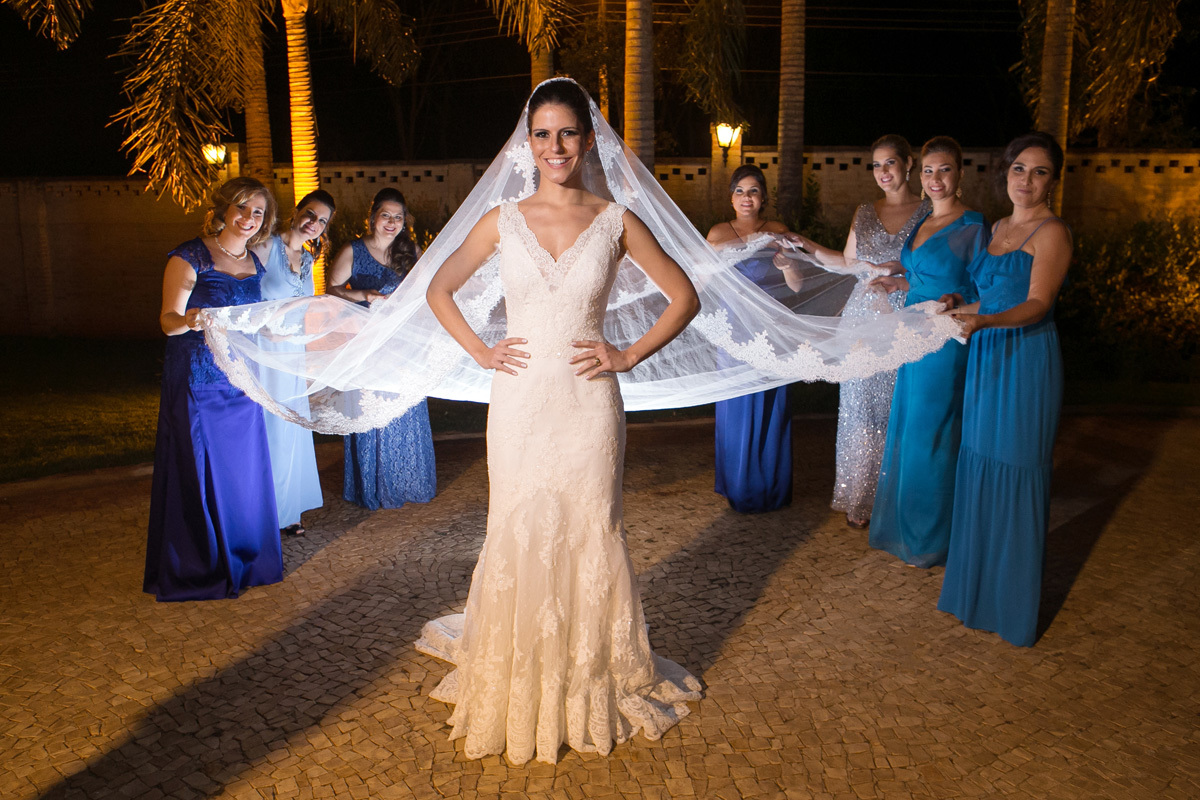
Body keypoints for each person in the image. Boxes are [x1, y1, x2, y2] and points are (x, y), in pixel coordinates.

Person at [417, 79, 703, 765]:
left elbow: (684, 297)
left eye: (567, 133)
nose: (554, 147)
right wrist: (483, 350)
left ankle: (587, 681)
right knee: (516, 524)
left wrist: (627, 353)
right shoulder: (501, 219)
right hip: (518, 404)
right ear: (528, 142)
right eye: (542, 134)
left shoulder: (618, 219)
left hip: (587, 406)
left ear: (587, 139)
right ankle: (517, 676)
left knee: (590, 527)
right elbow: (438, 287)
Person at [937, 132, 1072, 646]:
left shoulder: (1052, 232)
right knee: (979, 462)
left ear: (1052, 181)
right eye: (1019, 168)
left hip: (1025, 360)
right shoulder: (996, 227)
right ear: (1006, 173)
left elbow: (1038, 303)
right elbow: (985, 295)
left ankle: (1010, 606)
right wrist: (959, 303)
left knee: (1015, 468)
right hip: (988, 356)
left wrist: (986, 320)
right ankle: (975, 593)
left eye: (1039, 172)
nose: (1027, 180)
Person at [144, 177, 283, 602]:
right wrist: (193, 317)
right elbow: (168, 321)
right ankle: (202, 564)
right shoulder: (190, 256)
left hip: (240, 379)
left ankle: (247, 557)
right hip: (197, 379)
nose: (248, 218)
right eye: (241, 208)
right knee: (202, 466)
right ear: (224, 208)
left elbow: (252, 321)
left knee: (242, 469)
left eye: (257, 212)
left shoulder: (256, 265)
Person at [788, 135, 931, 529]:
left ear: (908, 164)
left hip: (906, 317)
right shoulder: (865, 211)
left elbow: (934, 267)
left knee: (902, 406)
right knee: (860, 410)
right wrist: (805, 245)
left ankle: (899, 497)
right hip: (861, 323)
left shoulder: (929, 211)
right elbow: (848, 262)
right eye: (876, 165)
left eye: (890, 163)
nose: (883, 172)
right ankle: (862, 498)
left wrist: (903, 277)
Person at [868, 137, 988, 567]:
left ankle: (931, 537)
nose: (936, 179)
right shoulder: (922, 223)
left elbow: (983, 287)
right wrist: (898, 284)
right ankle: (905, 528)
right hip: (911, 337)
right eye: (929, 171)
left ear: (959, 174)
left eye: (945, 170)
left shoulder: (972, 225)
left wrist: (956, 300)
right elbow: (921, 278)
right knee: (907, 429)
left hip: (944, 340)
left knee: (932, 433)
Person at [326, 189, 437, 511]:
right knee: (371, 409)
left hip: (403, 346)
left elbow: (426, 293)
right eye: (385, 215)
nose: (391, 222)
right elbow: (331, 290)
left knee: (405, 409)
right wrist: (364, 295)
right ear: (373, 216)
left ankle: (409, 482)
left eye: (398, 217)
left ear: (405, 222)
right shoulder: (354, 249)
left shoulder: (411, 250)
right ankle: (373, 486)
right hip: (368, 344)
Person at [706, 165, 802, 512]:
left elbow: (797, 285)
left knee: (771, 407)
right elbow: (701, 281)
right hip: (733, 333)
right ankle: (740, 488)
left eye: (754, 191)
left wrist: (786, 265)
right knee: (737, 408)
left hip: (769, 332)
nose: (747, 198)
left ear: (763, 198)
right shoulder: (717, 233)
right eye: (740, 191)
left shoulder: (776, 231)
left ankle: (773, 487)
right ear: (731, 197)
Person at [251, 190, 335, 536]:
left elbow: (304, 308)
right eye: (311, 215)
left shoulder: (310, 261)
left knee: (290, 428)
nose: (314, 224)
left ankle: (289, 511)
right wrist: (264, 326)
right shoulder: (265, 247)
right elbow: (243, 293)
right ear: (297, 211)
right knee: (267, 426)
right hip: (263, 351)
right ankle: (261, 509)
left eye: (322, 222)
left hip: (291, 354)